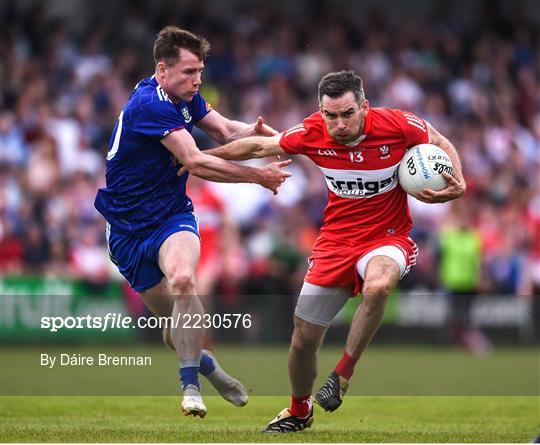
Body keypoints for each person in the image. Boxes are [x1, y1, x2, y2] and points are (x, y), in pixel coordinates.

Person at [202, 70, 466, 432]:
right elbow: (259, 147)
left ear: (364, 107)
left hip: (388, 235)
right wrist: (194, 158)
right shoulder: (311, 132)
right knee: (303, 340)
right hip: (335, 242)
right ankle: (298, 410)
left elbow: (439, 140)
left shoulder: (399, 124)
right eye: (331, 115)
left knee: (378, 285)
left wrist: (460, 182)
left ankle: (341, 375)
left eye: (347, 114)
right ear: (320, 110)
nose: (338, 124)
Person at [93, 26, 291, 418]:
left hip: (171, 217)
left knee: (184, 281)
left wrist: (268, 136)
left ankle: (190, 389)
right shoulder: (150, 104)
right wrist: (259, 174)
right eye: (188, 72)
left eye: (199, 70)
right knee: (175, 328)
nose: (197, 79)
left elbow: (225, 132)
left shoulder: (184, 96)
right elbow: (196, 161)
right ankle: (208, 366)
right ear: (162, 71)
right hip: (127, 233)